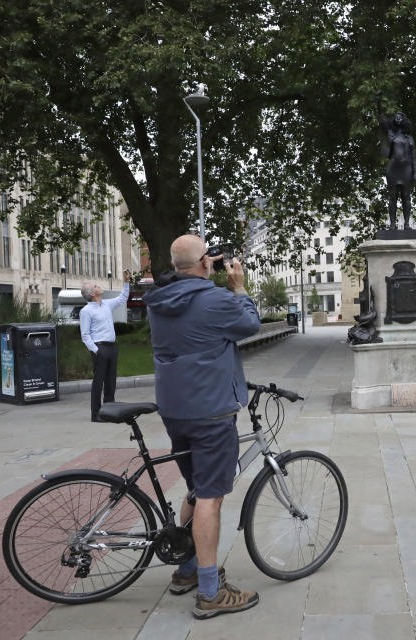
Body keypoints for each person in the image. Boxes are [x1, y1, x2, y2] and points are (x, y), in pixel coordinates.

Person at [143, 235, 261, 620]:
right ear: (205, 263)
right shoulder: (215, 300)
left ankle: (188, 569)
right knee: (211, 497)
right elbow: (250, 325)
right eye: (209, 256)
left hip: (175, 410)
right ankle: (211, 592)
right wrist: (240, 288)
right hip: (211, 411)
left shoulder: (158, 302)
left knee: (195, 489)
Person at [80, 269, 130, 422]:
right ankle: (96, 415)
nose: (98, 286)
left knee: (111, 381)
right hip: (100, 347)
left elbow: (123, 298)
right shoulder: (86, 311)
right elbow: (85, 335)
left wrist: (126, 281)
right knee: (99, 382)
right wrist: (96, 351)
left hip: (112, 347)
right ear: (92, 294)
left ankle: (109, 411)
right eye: (95, 286)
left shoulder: (106, 304)